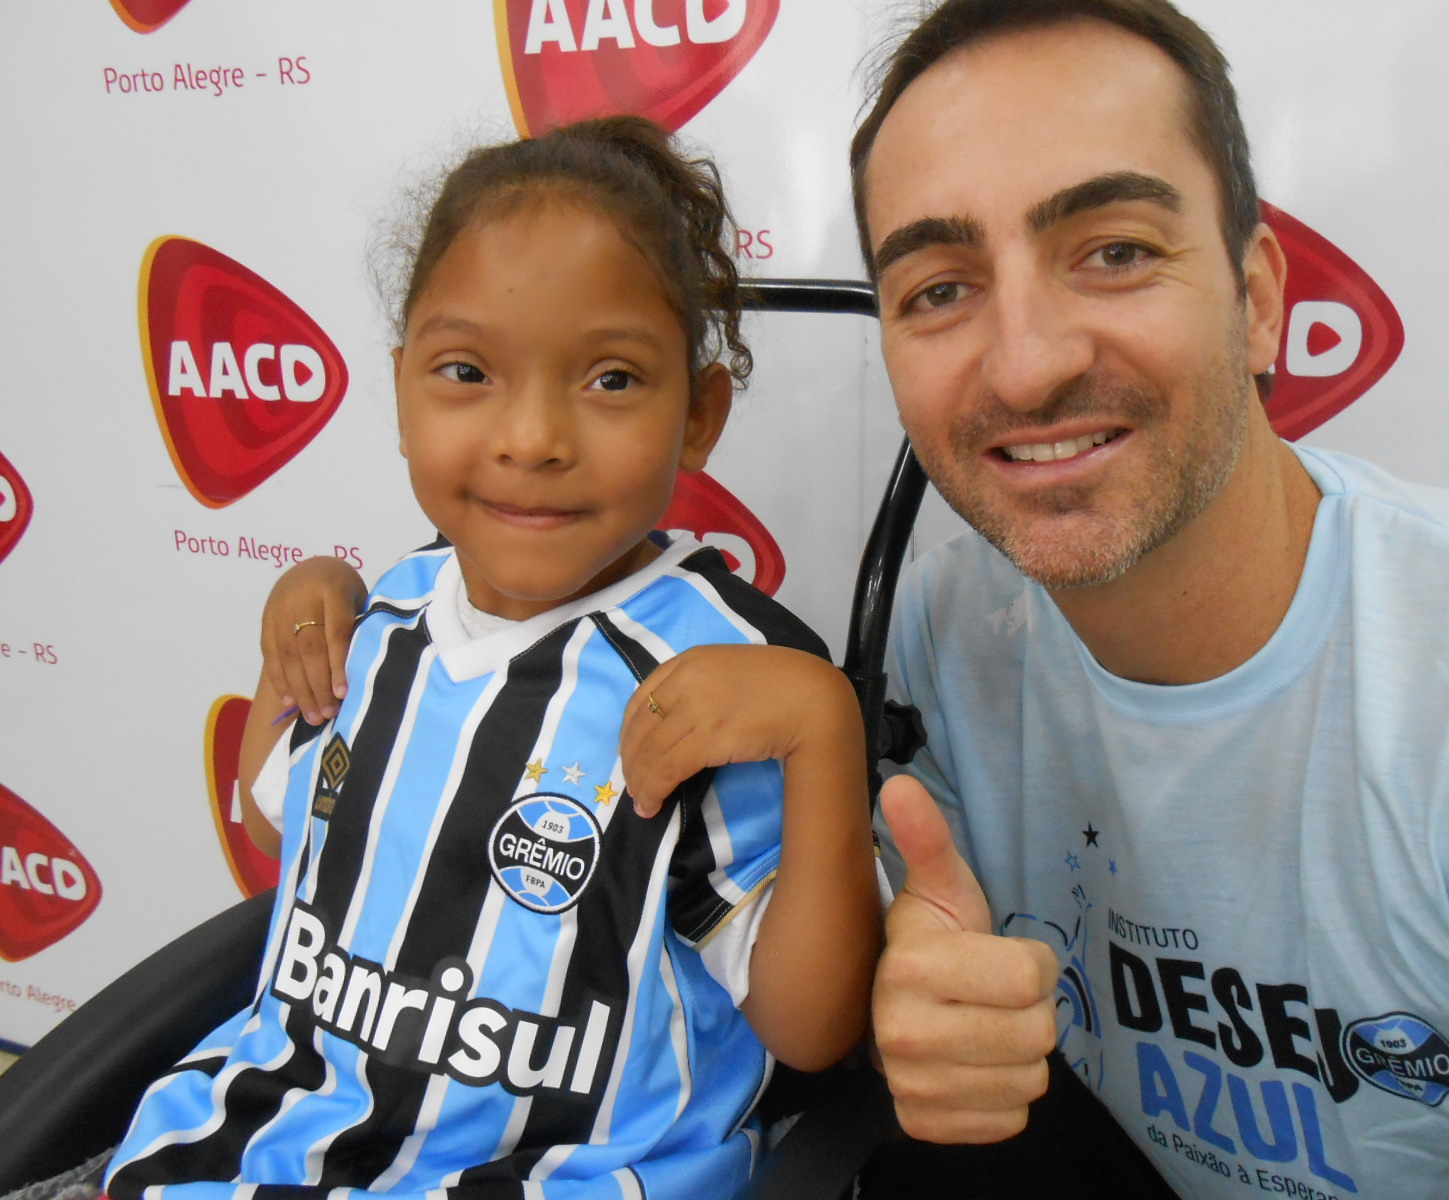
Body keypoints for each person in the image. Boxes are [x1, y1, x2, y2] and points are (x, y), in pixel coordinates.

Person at [853, 2, 1449, 1198]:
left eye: (1113, 251)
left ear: (1258, 301)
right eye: (939, 288)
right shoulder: (952, 629)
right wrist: (912, 962)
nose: (1027, 363)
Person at [104, 118, 881, 1200]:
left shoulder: (726, 681)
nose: (530, 438)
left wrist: (824, 732)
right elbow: (286, 837)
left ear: (697, 417)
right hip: (258, 1148)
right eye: (466, 371)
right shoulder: (383, 612)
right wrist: (284, 654)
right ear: (403, 387)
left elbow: (810, 1032)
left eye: (610, 380)